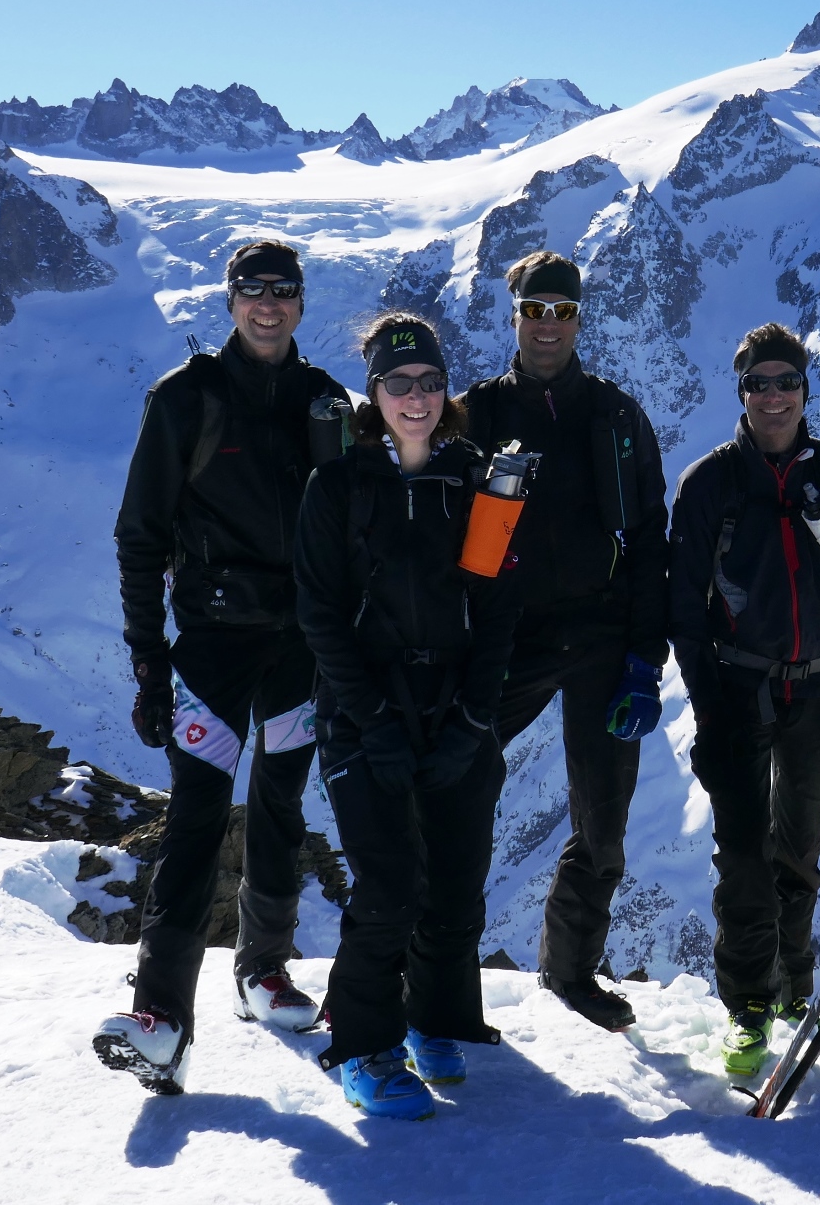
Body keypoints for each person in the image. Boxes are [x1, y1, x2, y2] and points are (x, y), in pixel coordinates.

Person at [94, 240, 349, 1094]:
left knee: (280, 804)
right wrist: (147, 663)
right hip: (209, 646)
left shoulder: (325, 403)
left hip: (299, 649)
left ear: (301, 303)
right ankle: (163, 1015)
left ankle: (262, 970)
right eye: (252, 292)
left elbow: (354, 532)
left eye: (282, 291)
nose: (267, 305)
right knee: (198, 817)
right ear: (230, 300)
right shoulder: (186, 398)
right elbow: (141, 536)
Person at [297, 313, 519, 1120]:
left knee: (455, 887)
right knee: (390, 885)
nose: (416, 397)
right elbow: (318, 616)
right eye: (399, 383)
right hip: (364, 712)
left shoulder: (479, 482)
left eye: (429, 381)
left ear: (445, 389)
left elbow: (496, 612)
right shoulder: (339, 487)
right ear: (373, 393)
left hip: (454, 703)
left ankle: (432, 1020)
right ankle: (363, 1045)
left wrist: (473, 718)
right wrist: (371, 720)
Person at [669, 323, 820, 1076]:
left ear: (806, 389)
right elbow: (683, 606)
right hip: (737, 685)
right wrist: (707, 705)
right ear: (740, 392)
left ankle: (793, 995)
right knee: (742, 853)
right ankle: (747, 1009)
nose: (773, 396)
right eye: (757, 383)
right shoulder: (710, 483)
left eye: (786, 382)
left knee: (799, 850)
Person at [457, 251, 671, 1033]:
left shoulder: (616, 416)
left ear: (581, 318)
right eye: (534, 309)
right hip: (503, 640)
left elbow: (650, 537)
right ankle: (441, 958)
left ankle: (571, 971)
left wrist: (647, 658)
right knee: (457, 789)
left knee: (603, 822)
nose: (548, 324)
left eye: (563, 311)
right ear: (512, 313)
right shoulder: (474, 414)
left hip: (603, 637)